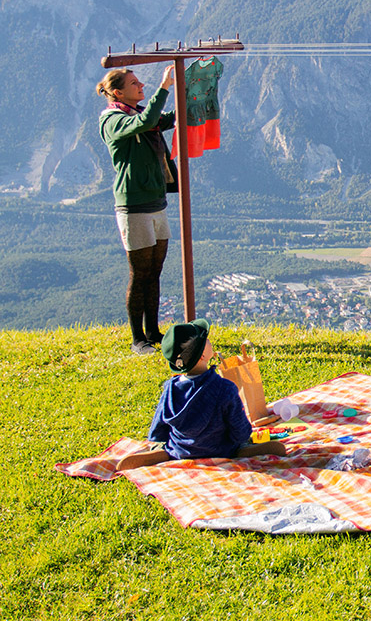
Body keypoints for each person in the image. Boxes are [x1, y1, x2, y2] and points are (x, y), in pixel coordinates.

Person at [116, 319, 285, 471]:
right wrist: (243, 439)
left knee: (165, 444)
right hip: (221, 449)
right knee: (240, 442)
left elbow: (157, 429)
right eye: (207, 340)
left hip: (181, 449)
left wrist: (159, 443)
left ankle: (165, 452)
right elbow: (240, 430)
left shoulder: (169, 388)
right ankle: (242, 450)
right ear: (203, 355)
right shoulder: (225, 388)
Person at [96, 65, 177, 355]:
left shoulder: (139, 115)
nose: (141, 85)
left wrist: (192, 97)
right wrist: (164, 87)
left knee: (155, 270)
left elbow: (160, 119)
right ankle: (137, 338)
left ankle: (153, 331)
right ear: (118, 92)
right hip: (133, 205)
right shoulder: (112, 120)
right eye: (134, 83)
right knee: (139, 272)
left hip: (156, 202)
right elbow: (147, 121)